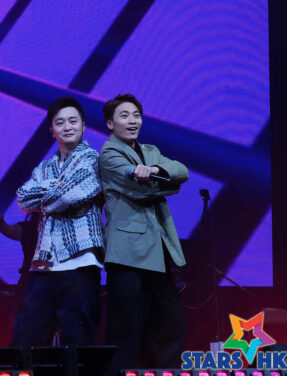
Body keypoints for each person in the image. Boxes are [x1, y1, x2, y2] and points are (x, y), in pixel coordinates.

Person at [99, 94, 189, 373]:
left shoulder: (151, 151)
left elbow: (182, 170)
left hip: (157, 249)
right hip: (127, 251)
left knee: (169, 322)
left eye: (136, 115)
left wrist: (155, 170)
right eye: (124, 115)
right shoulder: (109, 155)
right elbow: (140, 190)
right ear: (110, 124)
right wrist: (168, 184)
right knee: (126, 328)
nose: (132, 121)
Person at [11, 96, 104, 346]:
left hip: (80, 261)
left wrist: (46, 193)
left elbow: (67, 196)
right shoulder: (45, 168)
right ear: (52, 130)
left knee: (79, 346)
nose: (67, 127)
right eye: (60, 122)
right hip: (43, 265)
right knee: (25, 343)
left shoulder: (92, 160)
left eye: (73, 121)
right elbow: (22, 198)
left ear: (83, 126)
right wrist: (58, 187)